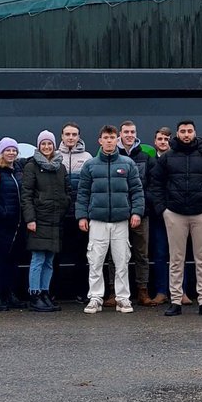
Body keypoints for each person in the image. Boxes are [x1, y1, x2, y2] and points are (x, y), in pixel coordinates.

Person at [149, 119, 202, 318]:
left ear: (194, 132)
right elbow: (155, 183)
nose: (186, 134)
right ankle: (175, 301)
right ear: (177, 133)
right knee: (176, 260)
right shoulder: (168, 156)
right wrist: (162, 209)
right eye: (182, 131)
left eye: (189, 131)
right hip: (174, 213)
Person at [76, 125, 144, 314]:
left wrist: (137, 212)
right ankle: (95, 298)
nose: (109, 141)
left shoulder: (127, 163)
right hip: (97, 221)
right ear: (100, 140)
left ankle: (123, 299)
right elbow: (82, 193)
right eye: (105, 137)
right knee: (95, 261)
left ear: (117, 140)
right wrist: (82, 216)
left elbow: (137, 191)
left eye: (112, 137)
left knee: (122, 262)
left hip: (121, 221)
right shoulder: (90, 165)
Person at [21, 130, 72, 313]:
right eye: (43, 144)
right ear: (38, 146)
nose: (47, 147)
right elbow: (26, 195)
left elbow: (67, 190)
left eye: (49, 143)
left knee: (49, 260)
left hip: (55, 220)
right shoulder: (31, 166)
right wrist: (30, 219)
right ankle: (34, 295)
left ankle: (45, 293)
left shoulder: (60, 167)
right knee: (38, 259)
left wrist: (65, 204)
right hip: (39, 219)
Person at [105, 120, 154, 306]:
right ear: (119, 134)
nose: (129, 135)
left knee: (142, 254)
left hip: (140, 214)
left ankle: (142, 291)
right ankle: (113, 292)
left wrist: (139, 209)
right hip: (117, 214)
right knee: (114, 256)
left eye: (132, 131)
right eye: (125, 131)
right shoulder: (110, 157)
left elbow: (150, 186)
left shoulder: (145, 157)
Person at [0, 137, 27, 311]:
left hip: (17, 225)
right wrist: (2, 212)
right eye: (7, 150)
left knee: (13, 261)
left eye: (14, 150)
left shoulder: (19, 171)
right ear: (1, 152)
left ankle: (11, 294)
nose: (11, 153)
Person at [57, 122, 93, 301]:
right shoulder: (54, 156)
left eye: (74, 134)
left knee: (82, 255)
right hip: (60, 214)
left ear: (79, 136)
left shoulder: (87, 157)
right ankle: (54, 292)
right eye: (67, 134)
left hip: (80, 214)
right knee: (55, 253)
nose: (71, 137)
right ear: (62, 136)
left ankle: (82, 292)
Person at [147, 127, 172, 305]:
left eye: (166, 139)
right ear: (155, 142)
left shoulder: (178, 159)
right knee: (160, 254)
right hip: (158, 216)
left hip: (178, 214)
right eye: (160, 139)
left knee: (179, 255)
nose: (163, 141)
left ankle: (182, 292)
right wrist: (160, 207)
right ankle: (161, 291)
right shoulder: (150, 162)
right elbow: (148, 188)